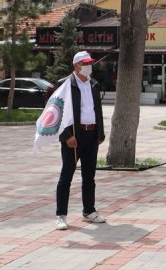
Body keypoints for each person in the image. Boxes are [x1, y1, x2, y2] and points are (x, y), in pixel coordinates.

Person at [55, 51, 106, 230]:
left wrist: (100, 133)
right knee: (66, 176)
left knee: (89, 177)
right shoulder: (65, 85)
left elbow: (96, 110)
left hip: (91, 134)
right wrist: (67, 136)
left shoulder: (93, 84)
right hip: (74, 136)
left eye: (90, 63)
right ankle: (61, 215)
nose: (89, 67)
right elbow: (57, 113)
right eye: (85, 64)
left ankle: (89, 211)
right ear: (76, 66)